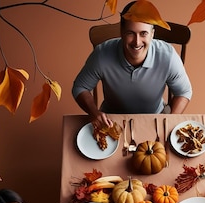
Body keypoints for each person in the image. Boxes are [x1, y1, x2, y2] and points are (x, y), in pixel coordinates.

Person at [72, 0, 192, 128]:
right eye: (130, 33)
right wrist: (93, 112)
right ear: (122, 32)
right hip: (111, 120)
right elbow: (80, 87)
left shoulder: (168, 56)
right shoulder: (102, 54)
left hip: (155, 117)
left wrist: (169, 121)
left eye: (143, 33)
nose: (137, 42)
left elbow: (184, 92)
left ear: (152, 34)